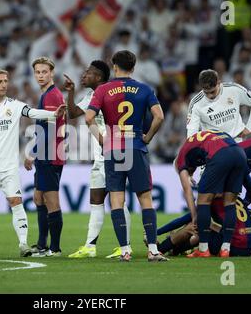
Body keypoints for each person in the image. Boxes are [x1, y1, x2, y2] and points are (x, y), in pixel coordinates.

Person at [0, 68, 65, 258]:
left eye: (5, 81)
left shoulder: (15, 105)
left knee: (16, 202)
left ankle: (23, 244)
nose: (3, 85)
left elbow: (33, 112)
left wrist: (53, 115)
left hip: (9, 167)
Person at [85, 50, 167, 262]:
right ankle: (153, 250)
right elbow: (159, 116)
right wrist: (147, 136)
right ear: (133, 67)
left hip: (113, 149)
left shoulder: (103, 89)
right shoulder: (144, 88)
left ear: (114, 66)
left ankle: (125, 250)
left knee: (116, 200)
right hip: (136, 146)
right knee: (145, 199)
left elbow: (88, 118)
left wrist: (101, 138)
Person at [63, 61, 132, 259]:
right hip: (99, 157)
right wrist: (71, 92)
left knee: (118, 201)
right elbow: (73, 113)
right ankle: (90, 246)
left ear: (99, 77)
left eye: (89, 73)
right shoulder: (92, 96)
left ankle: (125, 246)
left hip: (115, 153)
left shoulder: (112, 94)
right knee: (95, 200)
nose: (84, 75)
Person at [174, 130, 248, 258]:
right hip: (240, 153)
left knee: (203, 202)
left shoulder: (181, 159)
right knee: (230, 203)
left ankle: (203, 249)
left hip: (220, 155)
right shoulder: (204, 138)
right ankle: (226, 249)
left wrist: (194, 216)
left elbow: (187, 191)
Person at [24, 57, 66, 257]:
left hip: (49, 155)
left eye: (44, 72)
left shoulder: (51, 96)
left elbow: (49, 130)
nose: (40, 75)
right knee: (38, 198)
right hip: (47, 154)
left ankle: (54, 248)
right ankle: (42, 245)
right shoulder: (49, 94)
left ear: (52, 73)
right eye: (37, 72)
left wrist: (32, 153)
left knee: (51, 201)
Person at [156, 197, 251, 257]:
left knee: (193, 225)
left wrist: (155, 232)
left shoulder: (212, 198)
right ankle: (175, 249)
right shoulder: (235, 197)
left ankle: (161, 248)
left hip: (234, 247)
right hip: (249, 247)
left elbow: (186, 218)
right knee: (206, 226)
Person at [187, 69, 251, 142]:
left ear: (219, 82)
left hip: (238, 141)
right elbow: (191, 134)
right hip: (215, 146)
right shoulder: (195, 103)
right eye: (206, 93)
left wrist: (249, 127)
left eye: (213, 92)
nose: (210, 96)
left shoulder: (233, 89)